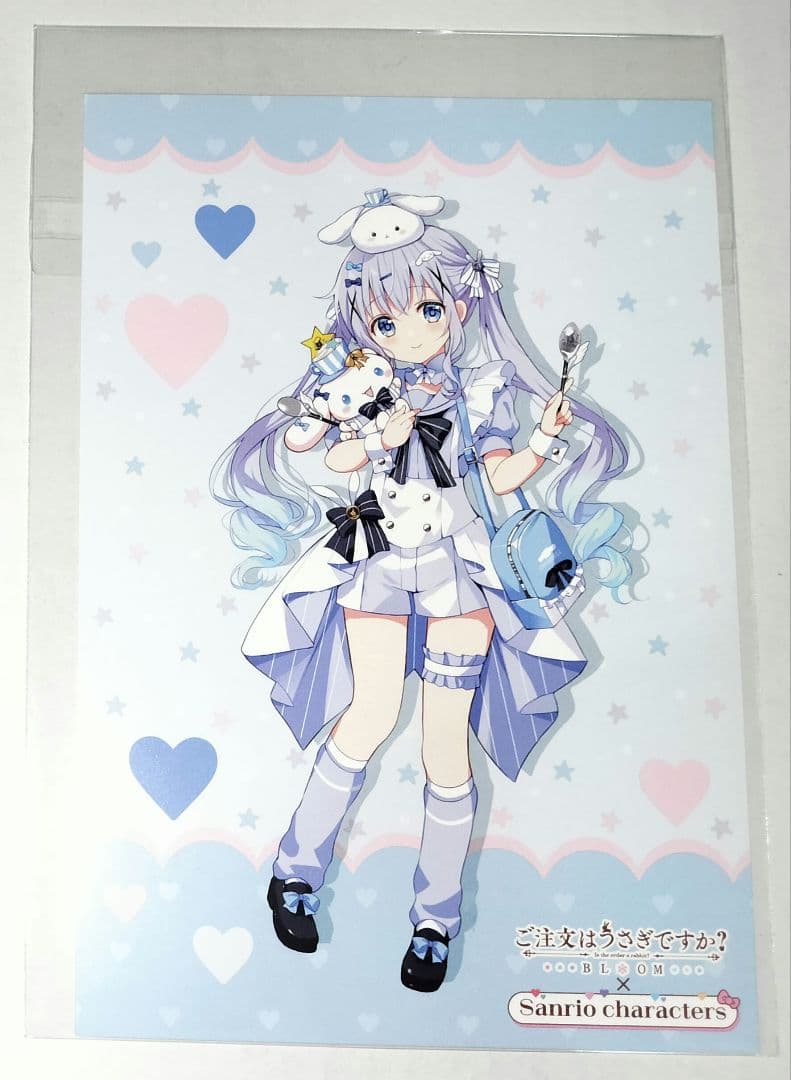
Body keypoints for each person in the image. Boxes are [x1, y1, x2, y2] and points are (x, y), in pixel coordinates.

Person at [212, 189, 632, 992]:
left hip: (458, 572)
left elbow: (498, 475)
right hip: (376, 561)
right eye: (386, 319)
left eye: (428, 309)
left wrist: (545, 437)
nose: (410, 330)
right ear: (363, 326)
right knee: (368, 716)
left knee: (445, 742)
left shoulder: (480, 391)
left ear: (458, 306)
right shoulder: (362, 383)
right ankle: (295, 872)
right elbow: (337, 460)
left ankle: (434, 920)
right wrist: (379, 431)